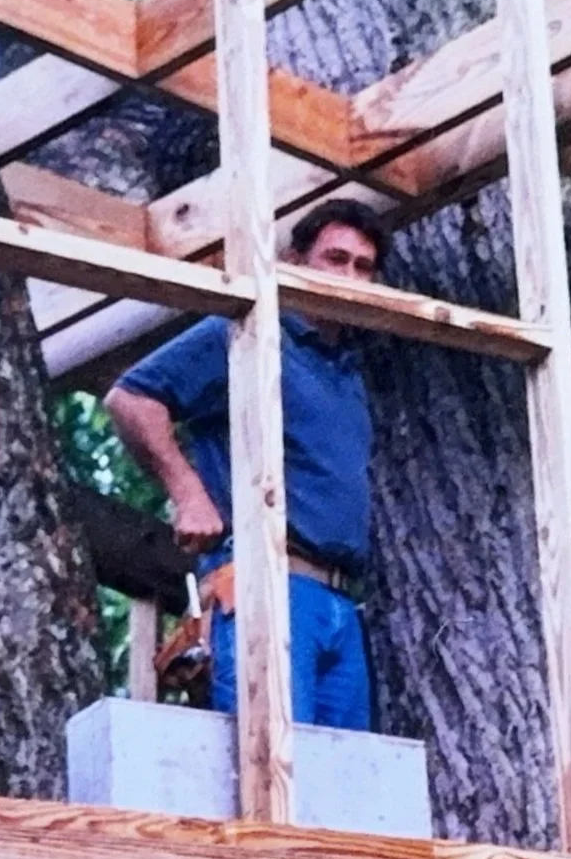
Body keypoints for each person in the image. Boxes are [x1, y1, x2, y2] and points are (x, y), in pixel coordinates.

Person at [103, 199, 385, 730]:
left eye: (363, 266)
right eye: (335, 258)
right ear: (296, 261)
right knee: (270, 771)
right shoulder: (247, 332)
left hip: (339, 602)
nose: (348, 275)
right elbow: (132, 398)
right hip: (265, 581)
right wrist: (188, 493)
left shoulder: (346, 372)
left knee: (346, 782)